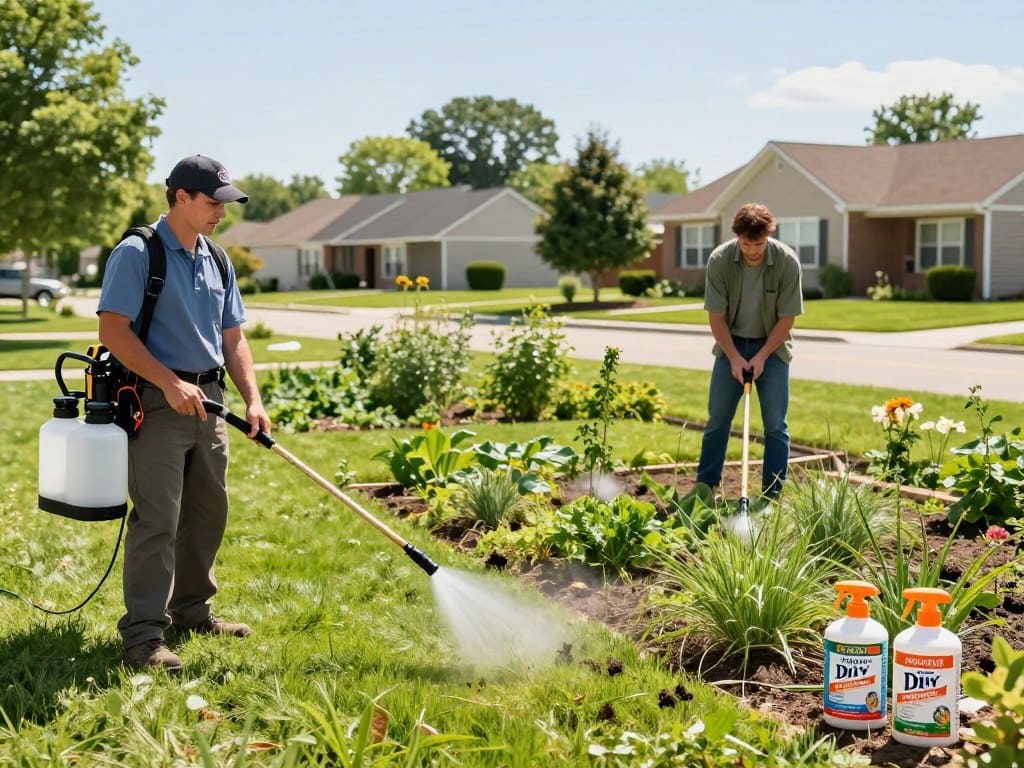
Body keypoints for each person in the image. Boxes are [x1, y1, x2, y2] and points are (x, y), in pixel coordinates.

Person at [98, 154, 271, 671]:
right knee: (157, 518)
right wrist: (169, 382)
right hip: (156, 402)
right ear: (180, 197)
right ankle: (145, 636)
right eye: (213, 201)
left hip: (209, 403)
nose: (222, 211)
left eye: (226, 202)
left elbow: (232, 335)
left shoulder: (217, 258)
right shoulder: (137, 253)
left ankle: (192, 610)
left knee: (207, 510)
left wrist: (252, 398)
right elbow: (113, 332)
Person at [695, 203, 803, 499]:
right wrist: (733, 357)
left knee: (775, 425)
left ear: (768, 236)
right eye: (745, 243)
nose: (752, 250)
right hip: (730, 343)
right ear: (737, 237)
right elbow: (716, 318)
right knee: (717, 419)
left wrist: (761, 355)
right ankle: (706, 486)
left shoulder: (786, 262)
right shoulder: (720, 260)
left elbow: (787, 318)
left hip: (773, 346)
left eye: (758, 244)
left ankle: (771, 494)